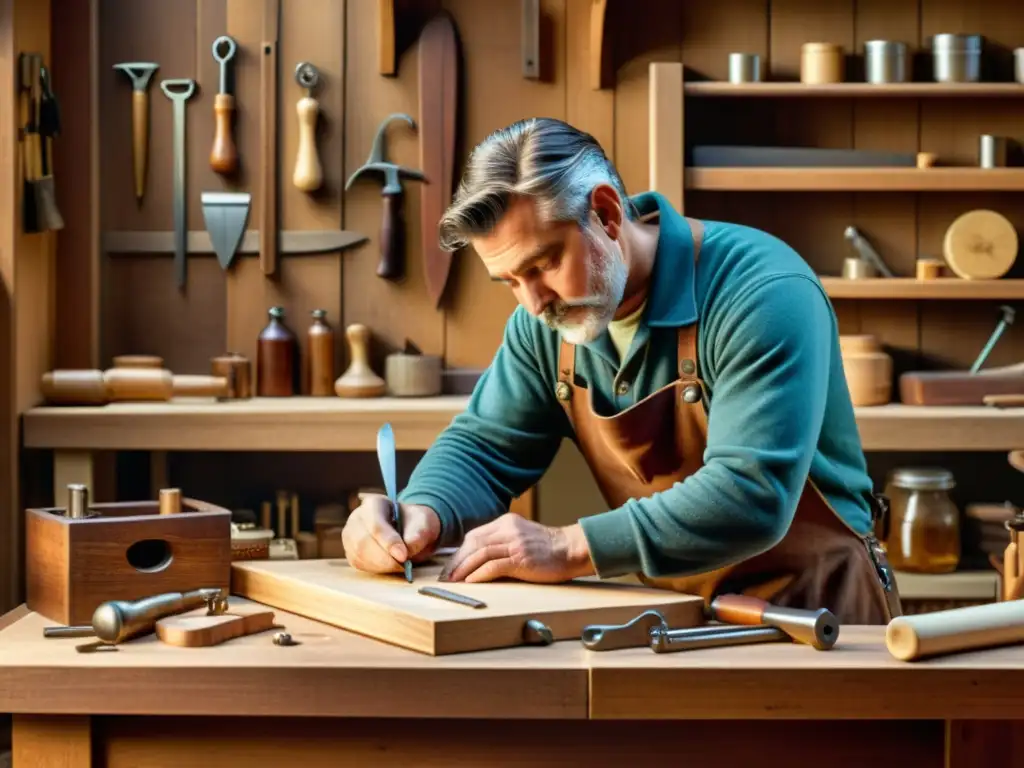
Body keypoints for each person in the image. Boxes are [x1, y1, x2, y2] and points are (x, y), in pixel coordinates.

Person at [341, 117, 901, 624]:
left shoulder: (762, 292)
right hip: (673, 617)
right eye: (510, 281)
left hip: (820, 619)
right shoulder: (546, 325)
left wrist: (569, 547)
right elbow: (486, 446)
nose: (533, 304)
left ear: (607, 213)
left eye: (542, 265)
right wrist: (423, 512)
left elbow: (750, 494)